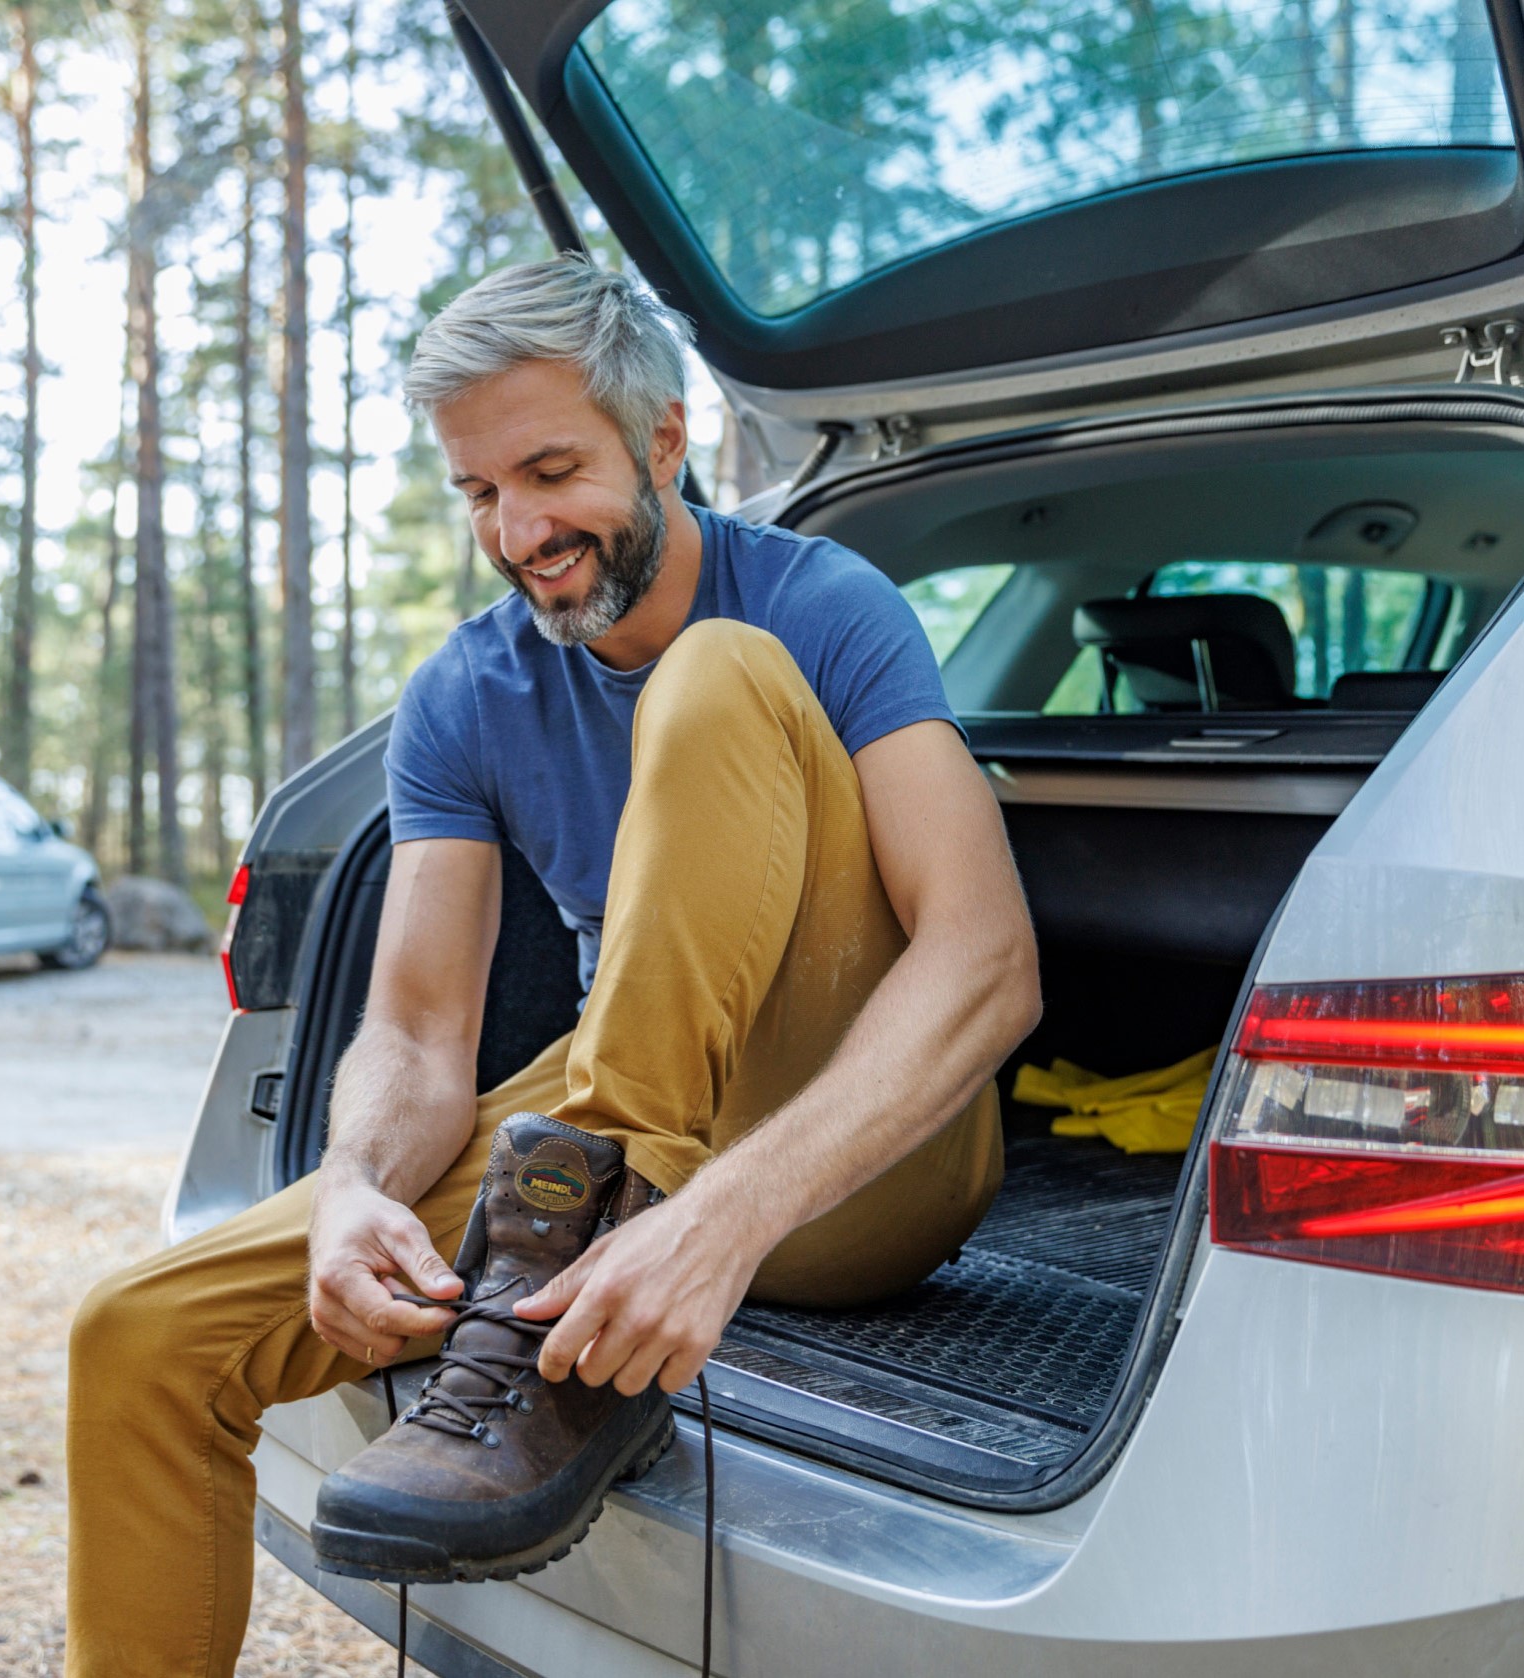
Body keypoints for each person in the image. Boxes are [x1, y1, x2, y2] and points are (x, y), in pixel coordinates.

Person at [64, 256, 1040, 1676]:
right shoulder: (466, 691)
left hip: (856, 1163)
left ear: (662, 440)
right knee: (136, 1338)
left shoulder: (824, 603)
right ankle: (584, 1237)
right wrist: (351, 1189)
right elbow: (416, 1028)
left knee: (719, 673)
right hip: (595, 1145)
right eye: (477, 491)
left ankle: (584, 1293)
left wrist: (719, 1215)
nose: (518, 531)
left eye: (550, 471)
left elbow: (985, 960)